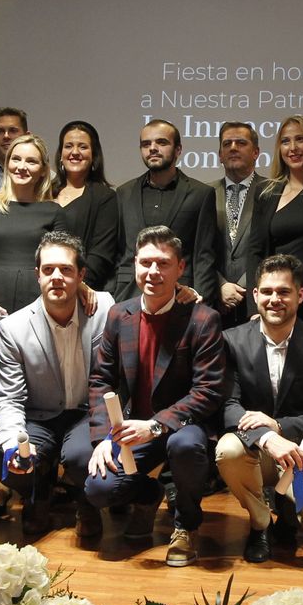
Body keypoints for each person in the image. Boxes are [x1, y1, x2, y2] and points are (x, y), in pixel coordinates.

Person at [86, 225, 226, 567]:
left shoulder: (203, 319)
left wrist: (155, 425)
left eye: (163, 264)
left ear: (180, 268)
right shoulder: (120, 314)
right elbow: (101, 379)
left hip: (184, 426)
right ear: (134, 265)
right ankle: (150, 496)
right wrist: (105, 436)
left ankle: (186, 523)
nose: (153, 272)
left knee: (186, 446)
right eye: (145, 262)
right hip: (134, 425)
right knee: (99, 489)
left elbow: (209, 390)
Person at [217, 254, 303, 561]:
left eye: (284, 292)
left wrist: (279, 426)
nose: (274, 299)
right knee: (228, 451)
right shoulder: (231, 341)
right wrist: (266, 435)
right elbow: (227, 405)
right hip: (256, 453)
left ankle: (291, 510)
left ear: (299, 295)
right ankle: (260, 523)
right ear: (255, 296)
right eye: (267, 292)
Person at [0, 232, 114, 537]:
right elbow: (9, 398)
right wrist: (11, 444)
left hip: (87, 413)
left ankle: (86, 501)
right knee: (5, 461)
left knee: (82, 457)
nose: (57, 277)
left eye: (66, 270)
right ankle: (39, 494)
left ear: (81, 275)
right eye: (48, 270)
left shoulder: (103, 309)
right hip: (40, 416)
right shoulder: (13, 328)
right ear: (38, 275)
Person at [112, 119, 221, 306]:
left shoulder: (200, 194)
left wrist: (200, 298)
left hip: (181, 297)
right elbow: (117, 251)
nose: (153, 148)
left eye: (161, 142)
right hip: (128, 297)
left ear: (178, 150)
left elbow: (204, 255)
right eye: (146, 144)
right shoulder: (123, 193)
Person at [244, 115, 303, 324]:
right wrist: (254, 307)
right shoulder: (266, 192)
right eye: (285, 141)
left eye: (300, 139)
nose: (293, 147)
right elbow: (255, 251)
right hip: (277, 302)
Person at [0, 133, 67, 313]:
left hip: (41, 306)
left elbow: (62, 262)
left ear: (44, 170)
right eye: (16, 159)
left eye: (31, 161)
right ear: (7, 164)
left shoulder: (54, 212)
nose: (22, 167)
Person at [52, 120, 120, 291]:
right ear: (60, 154)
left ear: (94, 155)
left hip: (82, 292)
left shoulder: (105, 197)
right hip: (38, 288)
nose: (75, 152)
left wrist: (77, 287)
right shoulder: (42, 192)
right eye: (68, 146)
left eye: (83, 147)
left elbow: (101, 255)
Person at [214, 122, 269, 329]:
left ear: (256, 152)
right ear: (220, 155)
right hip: (215, 302)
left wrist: (243, 286)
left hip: (257, 301)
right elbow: (199, 248)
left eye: (241, 143)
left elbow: (272, 245)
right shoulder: (204, 194)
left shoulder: (273, 191)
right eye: (227, 143)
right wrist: (221, 285)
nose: (233, 147)